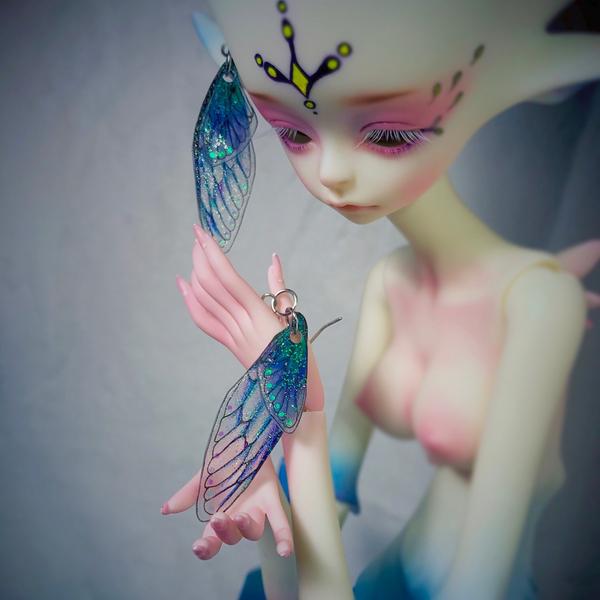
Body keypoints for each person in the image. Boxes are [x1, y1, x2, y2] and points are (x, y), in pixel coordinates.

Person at [163, 1, 600, 597]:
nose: (331, 172)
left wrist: (299, 424)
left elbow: (479, 584)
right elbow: (307, 545)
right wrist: (270, 510)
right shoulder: (391, 282)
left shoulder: (540, 303)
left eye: (390, 133)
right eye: (294, 132)